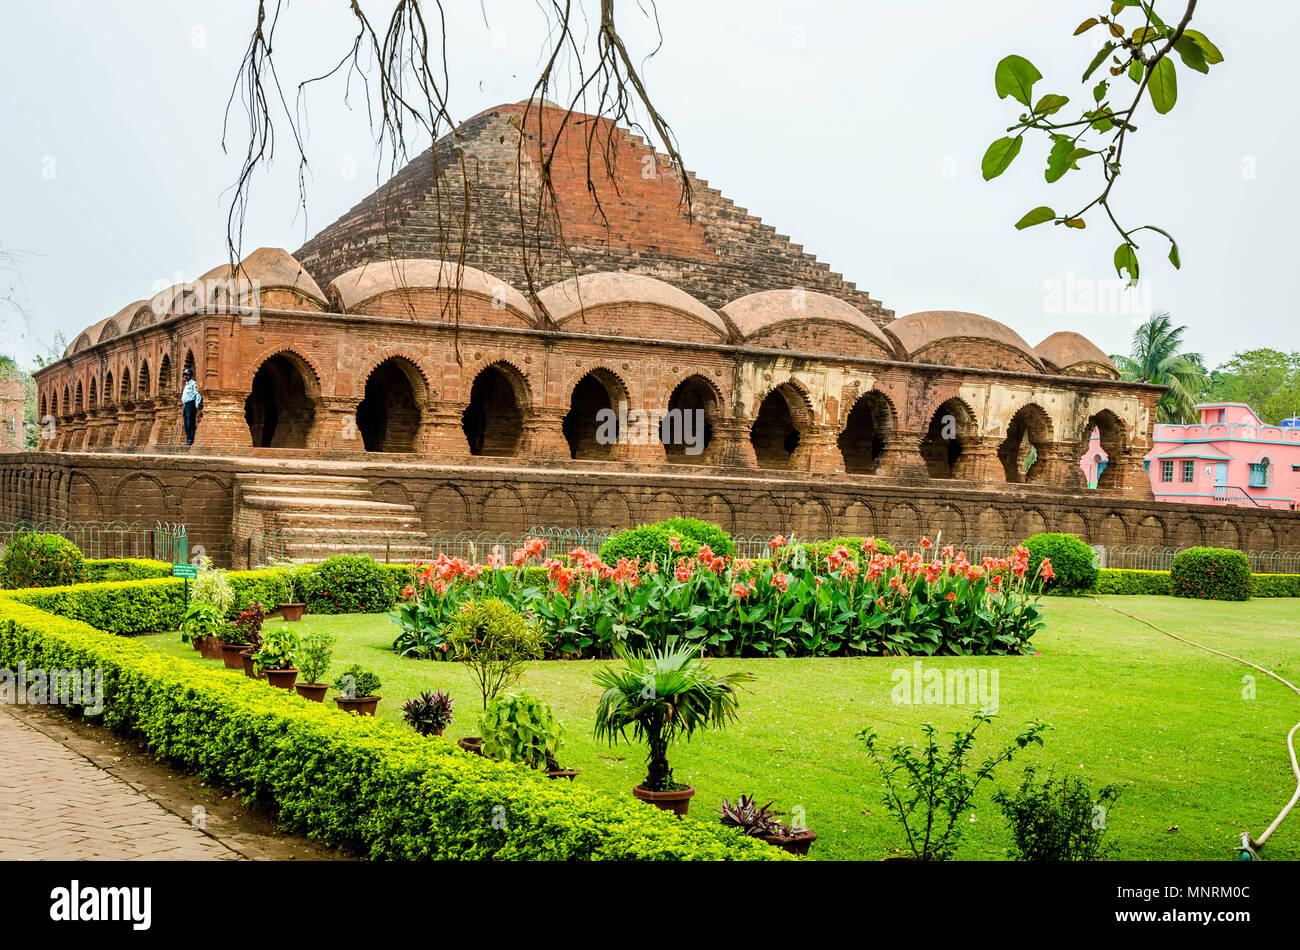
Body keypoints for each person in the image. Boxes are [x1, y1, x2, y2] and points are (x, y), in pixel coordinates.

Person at [181, 367, 202, 445]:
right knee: (186, 423)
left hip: (191, 405)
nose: (186, 376)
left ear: (190, 376)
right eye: (185, 375)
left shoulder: (193, 383)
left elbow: (197, 394)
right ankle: (187, 439)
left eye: (187, 375)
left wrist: (196, 405)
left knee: (190, 423)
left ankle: (191, 439)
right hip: (186, 405)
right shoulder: (186, 385)